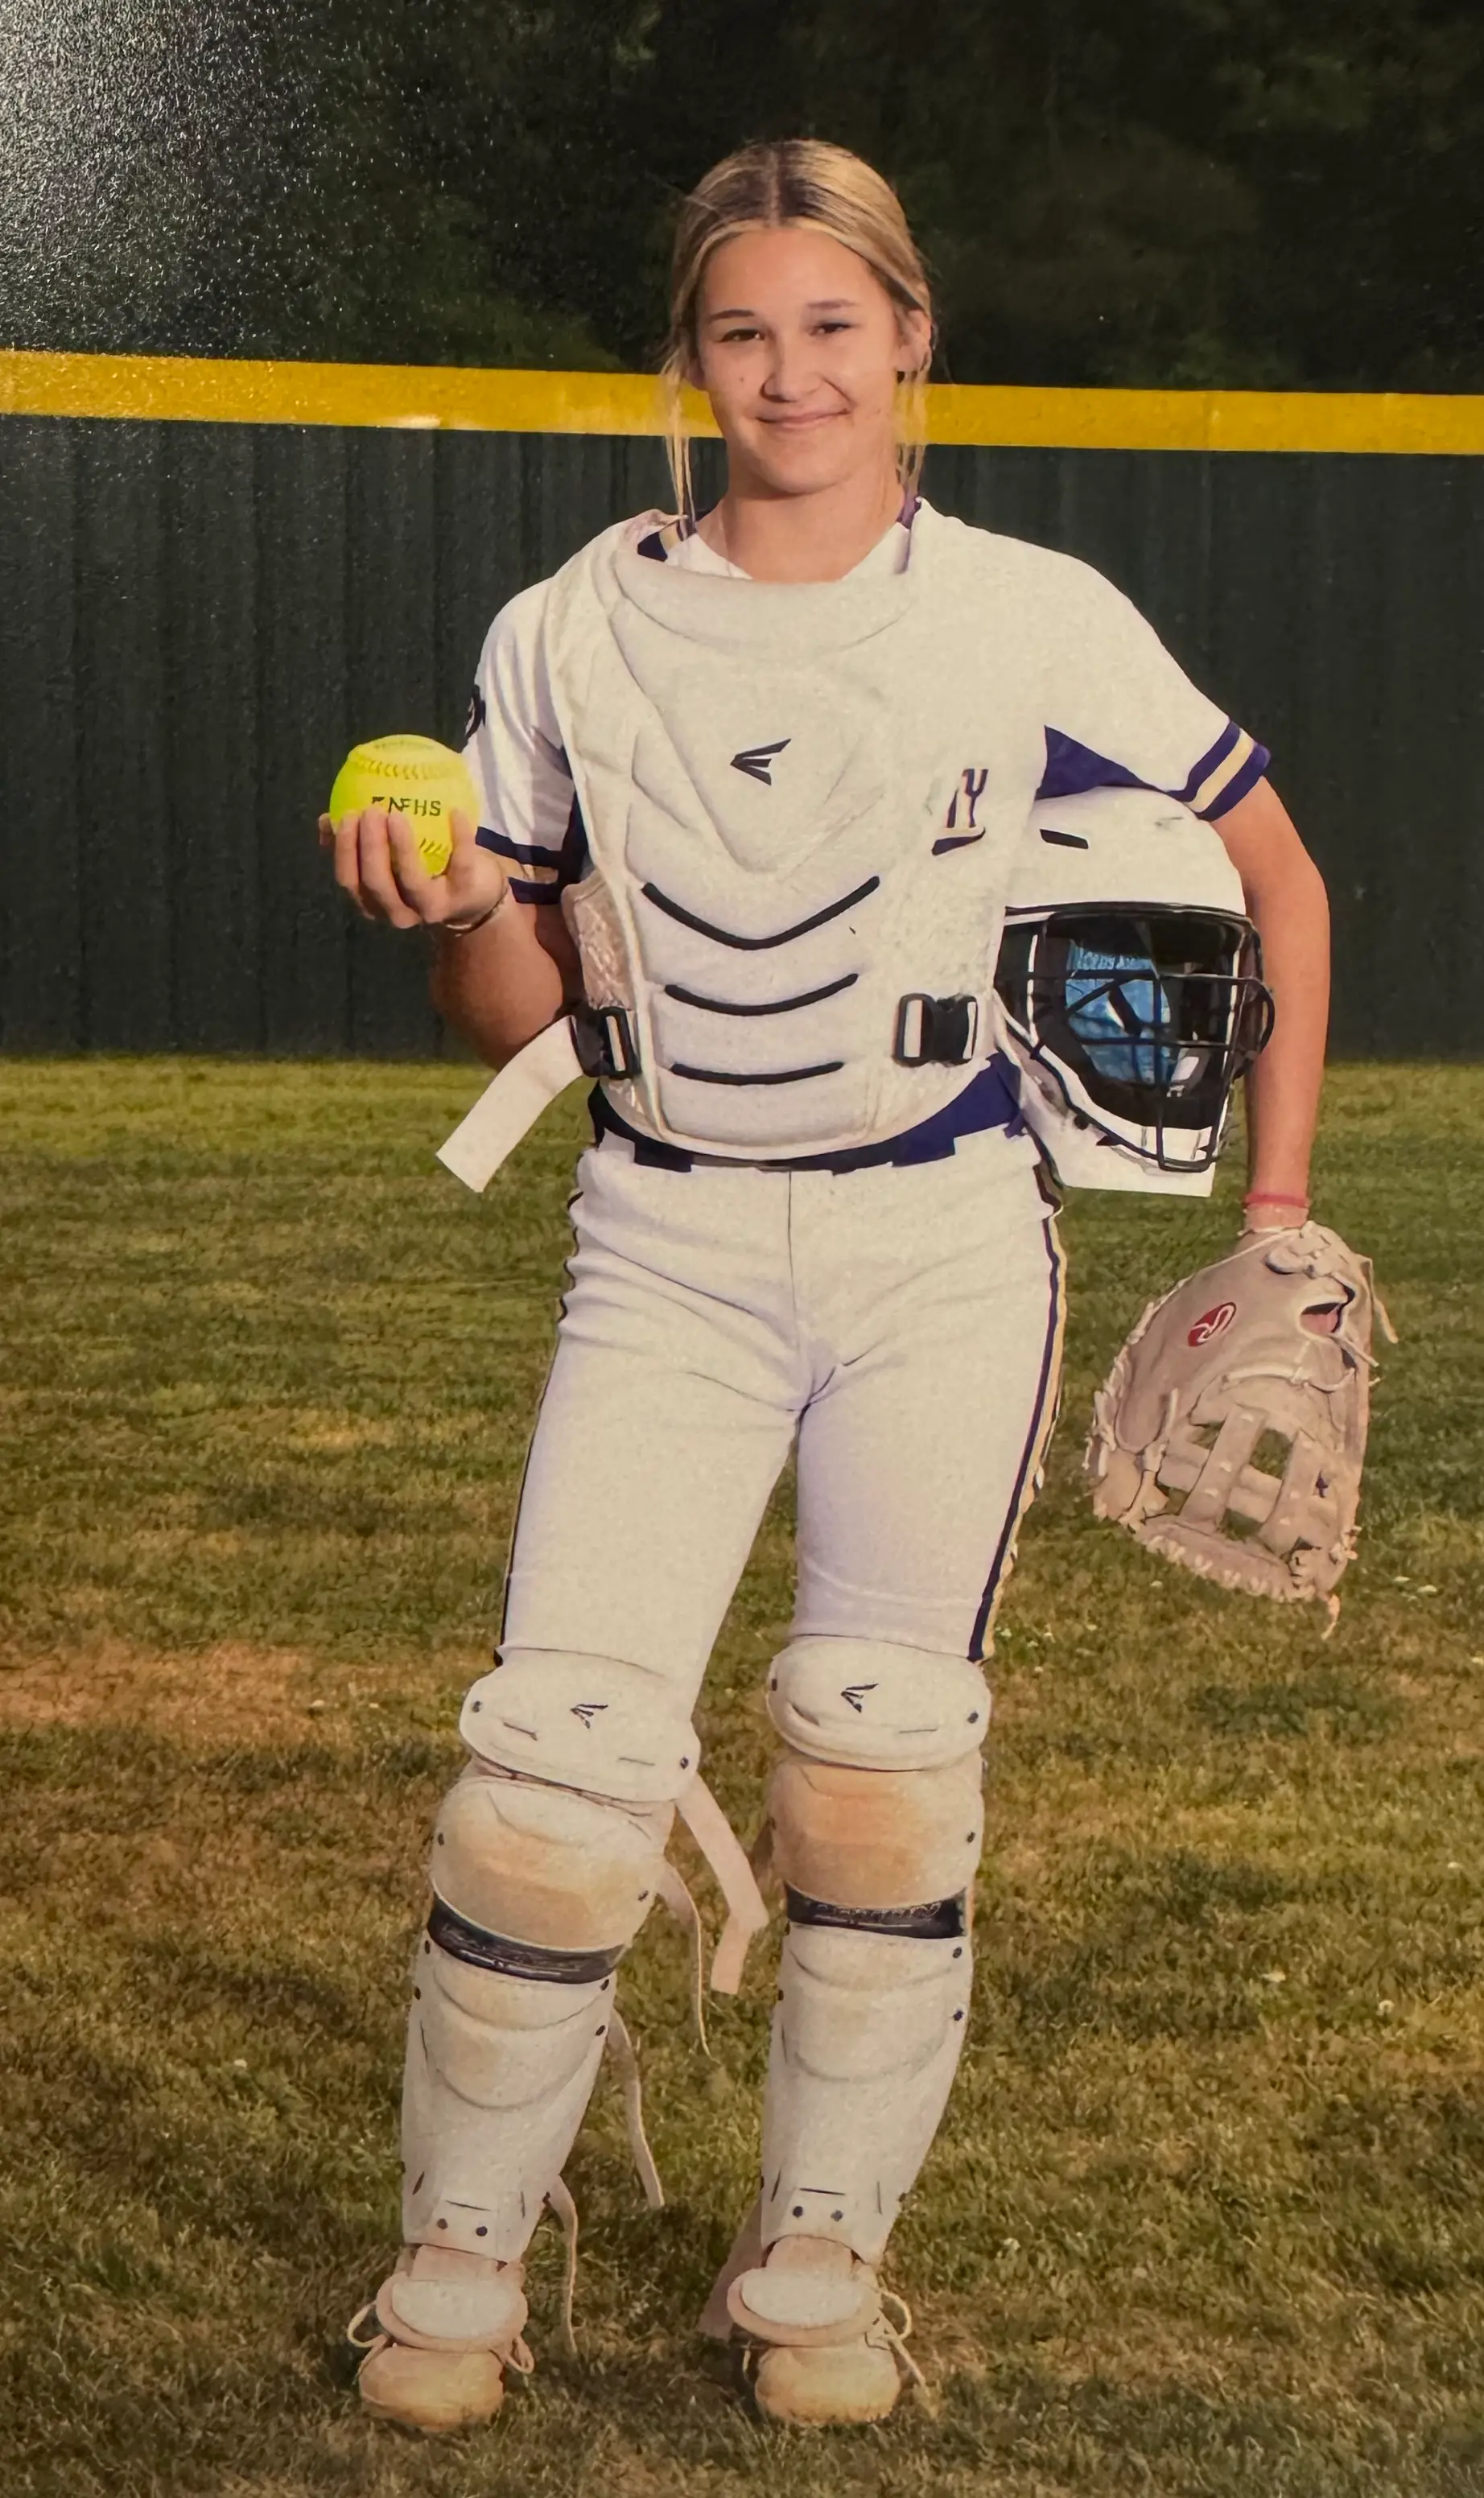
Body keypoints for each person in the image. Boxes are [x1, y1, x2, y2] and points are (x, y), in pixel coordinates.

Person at [323, 138, 1330, 2433]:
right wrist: (459, 909)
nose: (790, 373)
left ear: (910, 339)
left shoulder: (1028, 610)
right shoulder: (570, 626)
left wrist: (1274, 1216)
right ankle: (456, 2267)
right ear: (689, 361)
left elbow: (1274, 873)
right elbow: (514, 1019)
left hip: (939, 1244)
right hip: (665, 1236)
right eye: (743, 331)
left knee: (880, 1764)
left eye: (831, 325)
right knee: (550, 1777)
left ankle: (815, 2271)